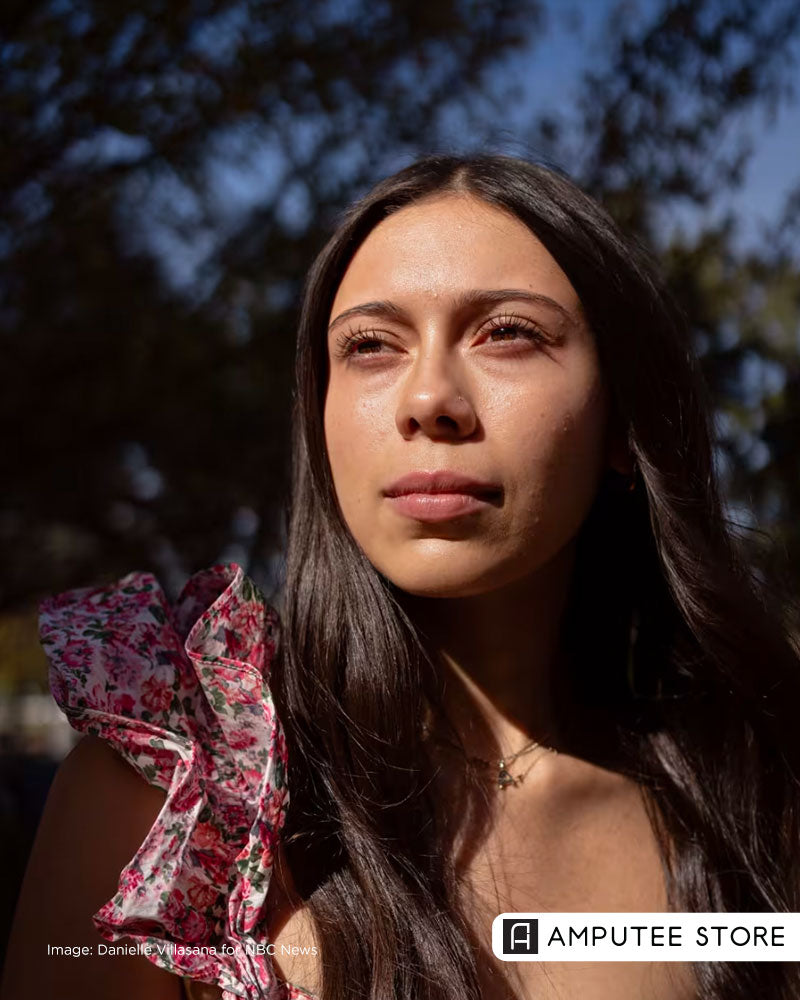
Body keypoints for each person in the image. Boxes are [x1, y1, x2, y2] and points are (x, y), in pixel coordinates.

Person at [2, 153, 799, 1000]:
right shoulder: (168, 791)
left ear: (620, 425)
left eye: (508, 333)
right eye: (372, 346)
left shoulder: (752, 807)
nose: (429, 398)